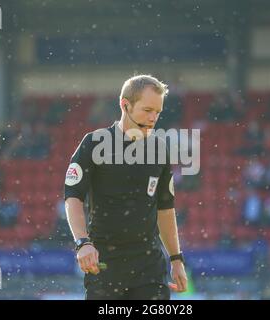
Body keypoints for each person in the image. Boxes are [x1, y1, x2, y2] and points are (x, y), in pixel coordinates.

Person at [64, 75, 187, 300]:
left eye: (158, 112)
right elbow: (73, 197)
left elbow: (165, 209)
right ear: (125, 105)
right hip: (104, 264)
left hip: (149, 266)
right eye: (147, 110)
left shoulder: (160, 151)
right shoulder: (93, 144)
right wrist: (82, 242)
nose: (153, 118)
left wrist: (176, 259)